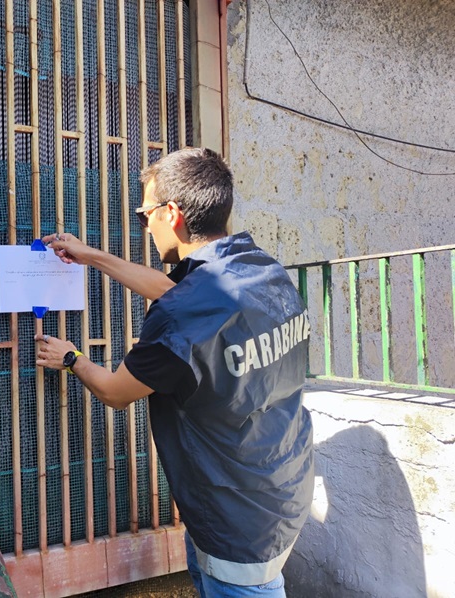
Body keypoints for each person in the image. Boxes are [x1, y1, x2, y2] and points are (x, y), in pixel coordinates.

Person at [35, 147, 313, 598]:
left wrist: (70, 357)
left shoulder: (179, 321)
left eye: (145, 215)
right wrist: (90, 257)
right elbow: (172, 290)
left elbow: (115, 392)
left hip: (233, 521)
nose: (145, 225)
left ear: (172, 214)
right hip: (279, 485)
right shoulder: (260, 271)